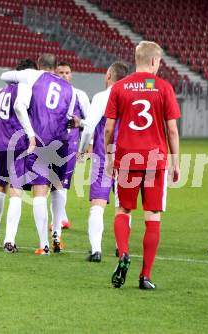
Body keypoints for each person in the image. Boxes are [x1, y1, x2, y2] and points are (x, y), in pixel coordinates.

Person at [104, 41, 181, 289]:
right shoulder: (164, 88)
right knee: (153, 216)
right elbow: (171, 129)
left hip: (126, 157)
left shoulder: (120, 87)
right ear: (153, 61)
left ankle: (124, 252)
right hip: (154, 160)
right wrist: (175, 161)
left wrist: (108, 156)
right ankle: (145, 276)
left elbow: (108, 128)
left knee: (123, 211)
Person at [1, 54, 78, 255]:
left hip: (40, 140)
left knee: (39, 191)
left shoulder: (32, 76)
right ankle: (57, 233)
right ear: (55, 68)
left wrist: (31, 133)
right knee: (59, 187)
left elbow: (6, 79)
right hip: (62, 143)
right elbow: (70, 121)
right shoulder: (71, 89)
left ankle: (44, 244)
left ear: (38, 65)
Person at [0, 58, 37, 252]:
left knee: (0, 186)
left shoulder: (1, 91)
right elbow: (19, 108)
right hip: (17, 142)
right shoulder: (24, 87)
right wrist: (31, 134)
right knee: (16, 190)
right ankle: (9, 241)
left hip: (1, 144)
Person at [76, 61, 129, 262]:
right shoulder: (131, 97)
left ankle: (96, 250)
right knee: (123, 205)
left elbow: (89, 127)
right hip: (127, 156)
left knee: (98, 204)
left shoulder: (102, 97)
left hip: (104, 155)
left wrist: (82, 151)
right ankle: (121, 248)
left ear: (109, 75)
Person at [50, 61, 90, 230]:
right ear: (54, 74)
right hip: (50, 144)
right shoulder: (50, 95)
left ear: (71, 75)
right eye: (61, 73)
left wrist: (89, 146)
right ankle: (63, 218)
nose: (64, 75)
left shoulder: (80, 94)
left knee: (62, 183)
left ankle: (57, 221)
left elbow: (89, 122)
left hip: (70, 145)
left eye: (67, 72)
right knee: (53, 183)